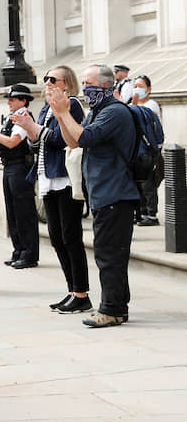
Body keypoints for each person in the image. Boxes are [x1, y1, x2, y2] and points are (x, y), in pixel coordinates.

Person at [50, 64, 139, 327]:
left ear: (105, 86)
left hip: (116, 193)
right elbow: (73, 142)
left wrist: (65, 112)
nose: (84, 88)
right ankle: (118, 307)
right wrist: (59, 115)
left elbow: (85, 137)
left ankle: (111, 309)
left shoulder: (114, 112)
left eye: (88, 83)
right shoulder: (99, 111)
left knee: (108, 254)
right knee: (110, 252)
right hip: (104, 193)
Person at [13, 66, 90, 313]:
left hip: (65, 178)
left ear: (66, 83)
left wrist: (34, 129)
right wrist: (29, 129)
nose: (47, 82)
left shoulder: (72, 105)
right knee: (57, 238)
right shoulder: (47, 107)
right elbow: (40, 145)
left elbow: (63, 139)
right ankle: (72, 290)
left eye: (52, 79)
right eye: (45, 79)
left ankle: (81, 292)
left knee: (71, 237)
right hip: (47, 177)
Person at [0, 84, 40, 270]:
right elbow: (0, 144)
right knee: (13, 212)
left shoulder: (24, 118)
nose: (9, 101)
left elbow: (12, 142)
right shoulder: (12, 119)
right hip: (9, 166)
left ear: (23, 101)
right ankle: (19, 250)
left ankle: (29, 253)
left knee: (24, 211)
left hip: (19, 168)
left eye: (13, 99)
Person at [131, 75, 162, 226]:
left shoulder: (151, 105)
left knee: (149, 185)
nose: (137, 89)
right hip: (138, 151)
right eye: (135, 85)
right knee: (140, 184)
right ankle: (142, 212)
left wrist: (134, 104)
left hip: (148, 151)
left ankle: (151, 214)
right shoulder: (136, 105)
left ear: (148, 89)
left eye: (140, 86)